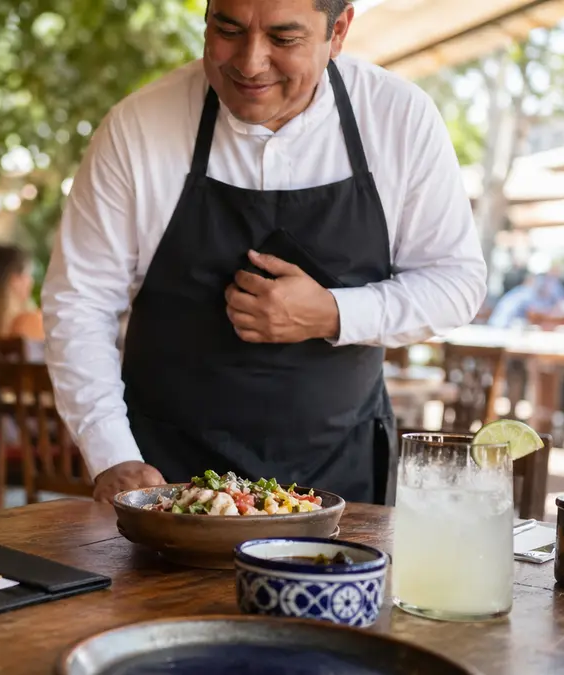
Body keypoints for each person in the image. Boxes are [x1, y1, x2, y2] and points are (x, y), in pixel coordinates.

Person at [41, 0, 486, 506]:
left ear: (337, 31)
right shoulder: (138, 127)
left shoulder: (399, 119)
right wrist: (111, 454)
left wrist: (334, 313)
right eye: (227, 30)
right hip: (168, 481)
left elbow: (456, 282)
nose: (249, 62)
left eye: (283, 38)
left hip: (343, 477)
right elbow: (79, 301)